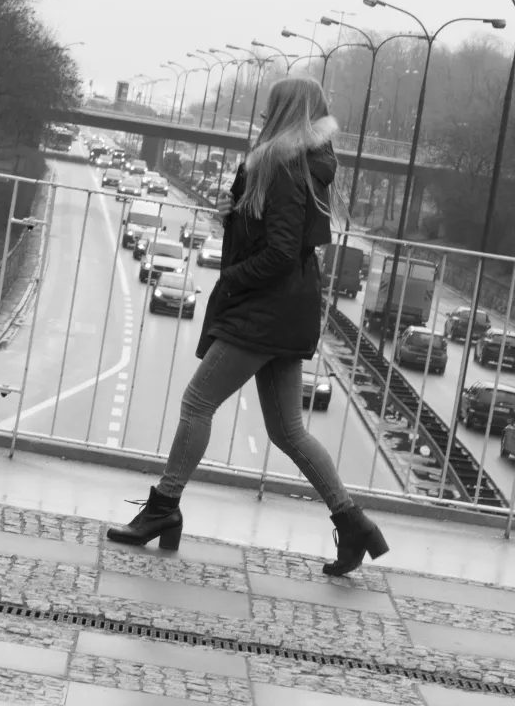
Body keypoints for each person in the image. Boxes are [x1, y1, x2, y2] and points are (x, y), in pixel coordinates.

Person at [106, 76, 389, 578]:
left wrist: (231, 277)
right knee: (288, 431)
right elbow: (286, 237)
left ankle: (164, 506)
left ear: (283, 114)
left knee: (198, 403)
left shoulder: (281, 166)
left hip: (263, 312)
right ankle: (354, 525)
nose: (260, 116)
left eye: (268, 108)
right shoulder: (301, 166)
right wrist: (235, 218)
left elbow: (280, 252)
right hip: (286, 310)